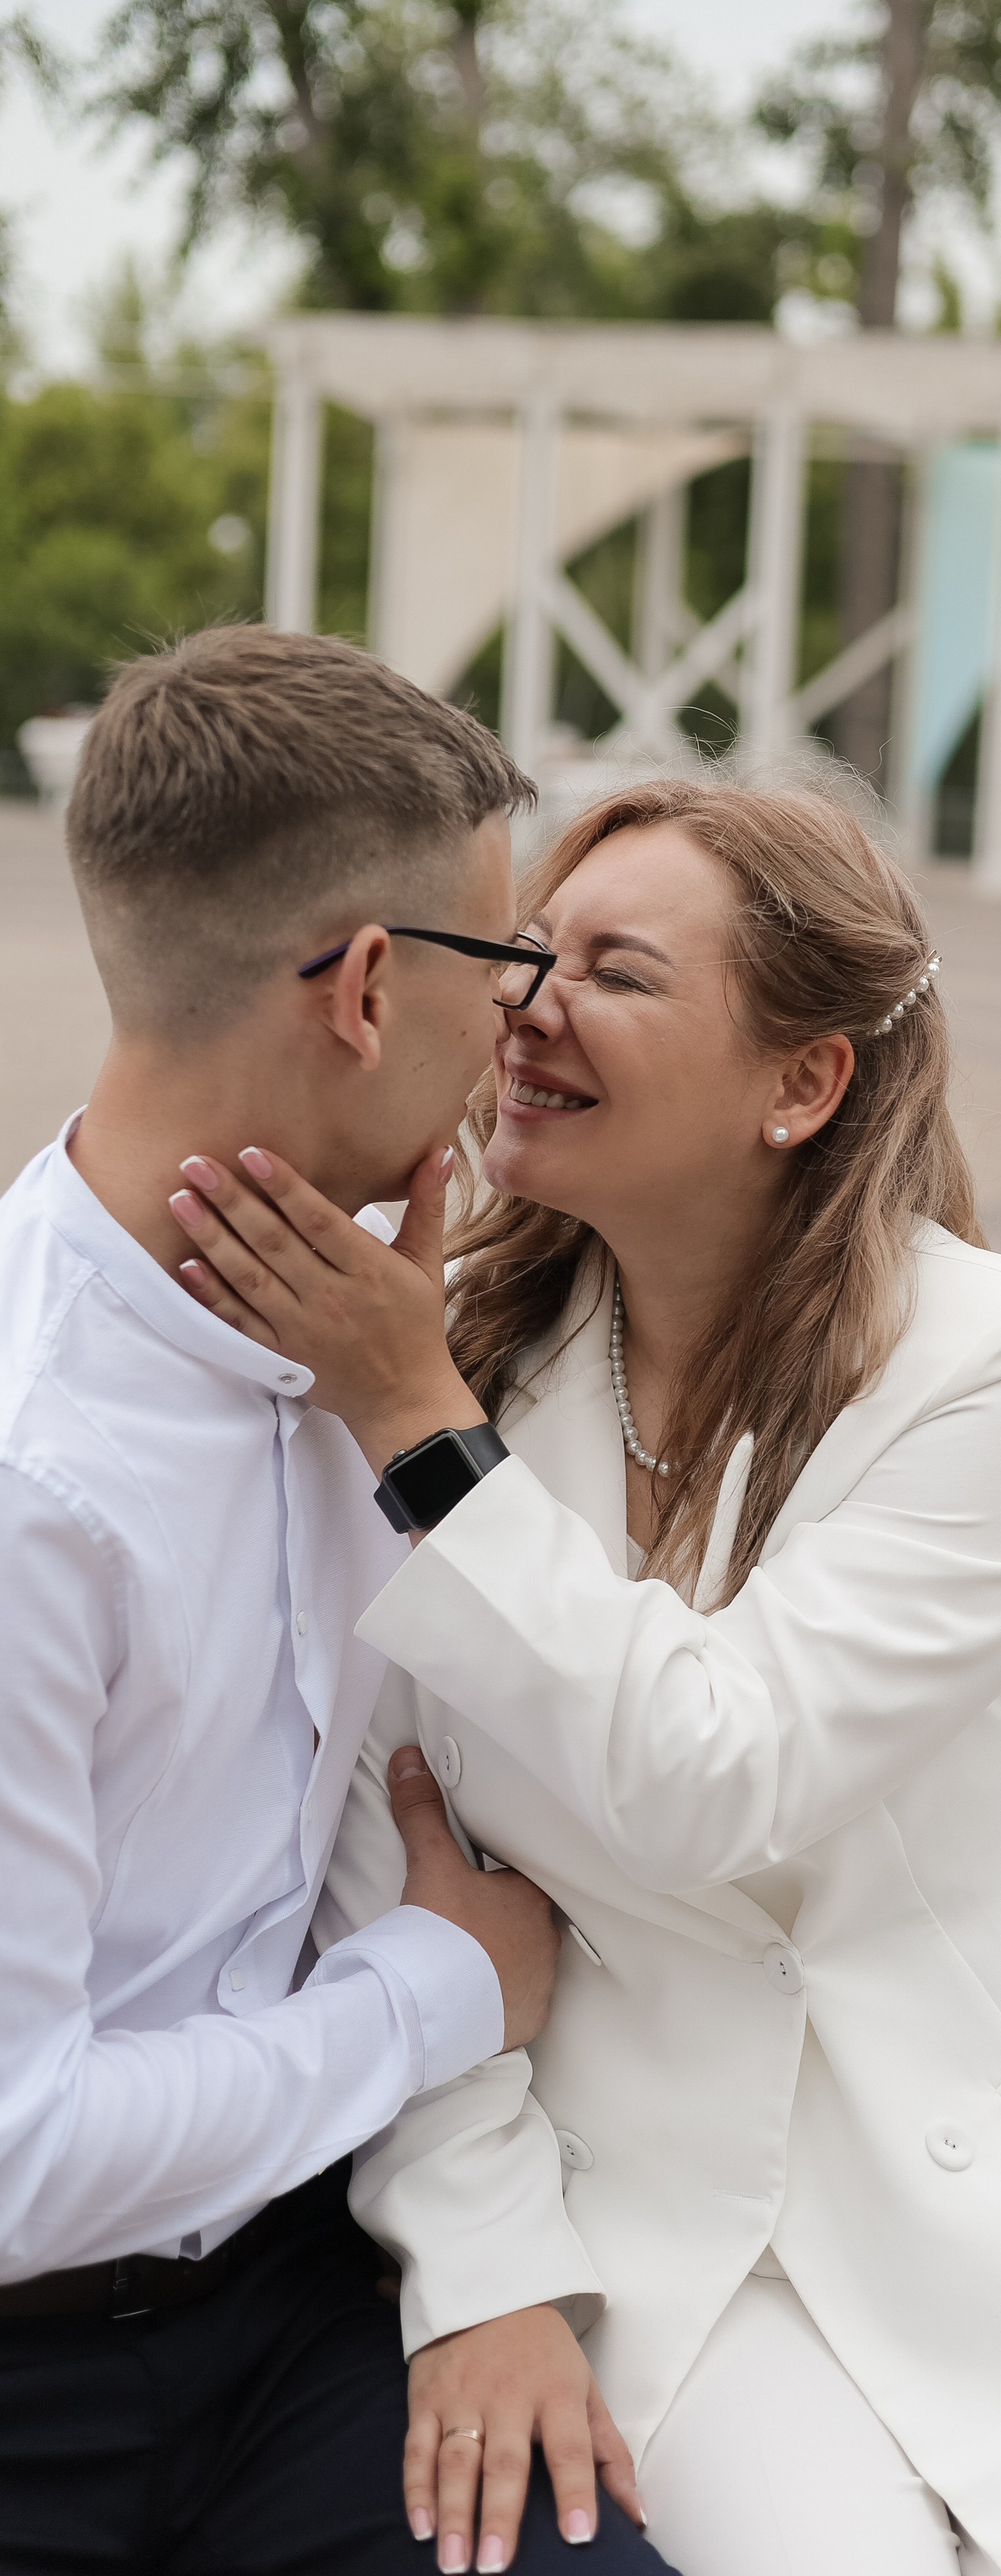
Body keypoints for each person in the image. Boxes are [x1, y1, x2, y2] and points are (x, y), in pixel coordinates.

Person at [174, 770, 1001, 2576]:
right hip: (659, 2207)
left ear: (803, 1084)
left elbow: (720, 1773)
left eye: (617, 971)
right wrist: (483, 2274)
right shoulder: (462, 1367)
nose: (528, 1003)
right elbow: (380, 1873)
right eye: (527, 952)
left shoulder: (994, 1372)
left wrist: (411, 1420)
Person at [0, 629, 673, 2576]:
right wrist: (439, 1990)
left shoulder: (366, 1312)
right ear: (371, 987)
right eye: (505, 960)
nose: (525, 1023)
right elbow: (24, 2163)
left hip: (292, 2309)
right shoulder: (36, 1479)